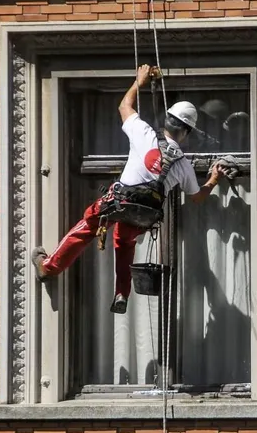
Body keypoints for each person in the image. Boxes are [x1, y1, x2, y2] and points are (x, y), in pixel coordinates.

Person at [31, 64, 228, 314]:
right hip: (143, 215)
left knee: (88, 225)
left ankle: (49, 267)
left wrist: (139, 81)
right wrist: (213, 179)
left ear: (166, 121)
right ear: (186, 132)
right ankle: (122, 292)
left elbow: (124, 106)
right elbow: (197, 197)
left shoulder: (144, 133)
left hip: (118, 202)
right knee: (124, 245)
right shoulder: (183, 164)